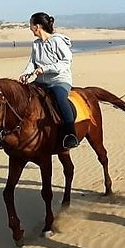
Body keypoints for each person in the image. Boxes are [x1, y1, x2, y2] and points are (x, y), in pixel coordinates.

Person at [19, 12, 79, 149]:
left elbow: (66, 62)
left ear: (37, 26)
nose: (30, 28)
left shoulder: (57, 41)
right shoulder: (36, 44)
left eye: (31, 25)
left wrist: (45, 69)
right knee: (24, 95)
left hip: (59, 80)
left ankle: (71, 134)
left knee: (60, 99)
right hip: (40, 81)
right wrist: (26, 73)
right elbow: (32, 63)